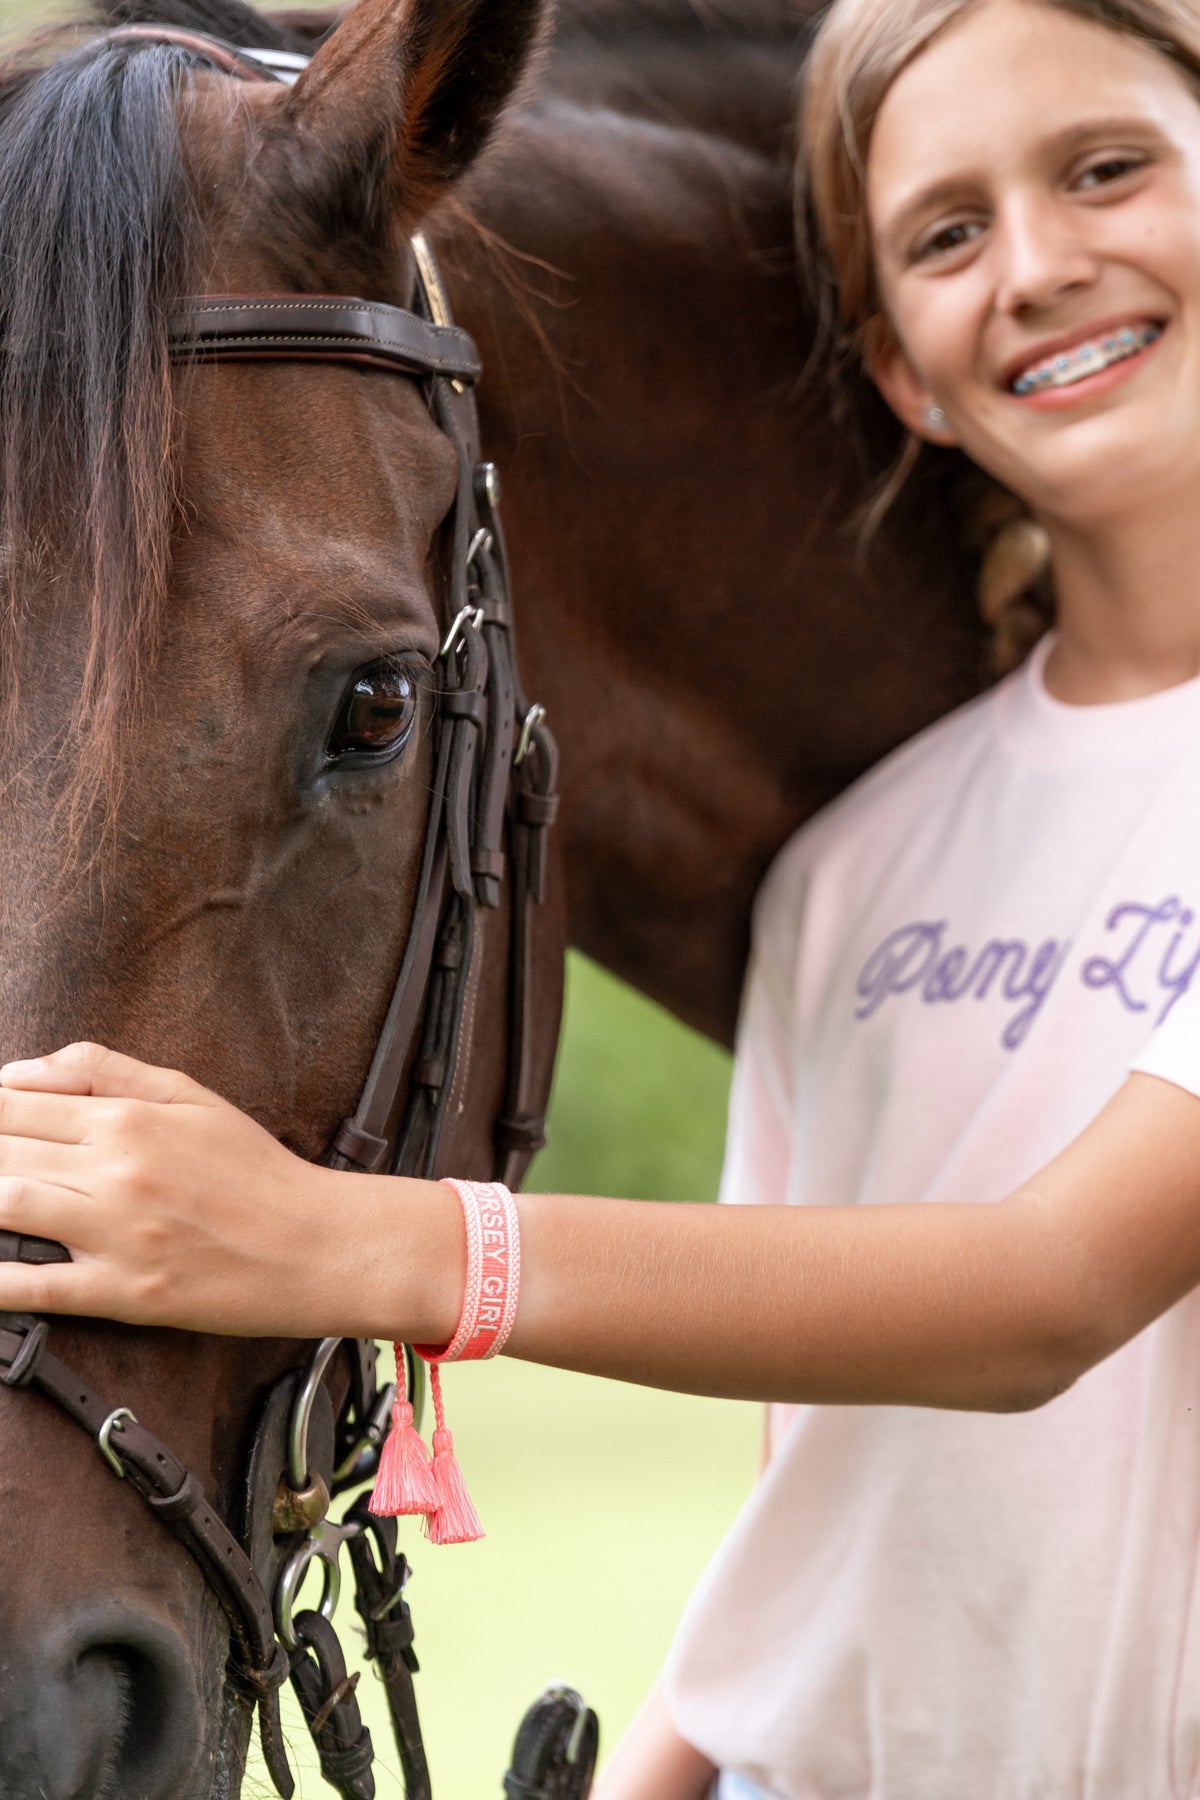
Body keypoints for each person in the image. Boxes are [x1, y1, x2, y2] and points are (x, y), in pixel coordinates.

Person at [6, 0, 1200, 1791]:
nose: (1034, 262)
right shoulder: (854, 867)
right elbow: (833, 1493)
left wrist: (360, 1245)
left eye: (1109, 170)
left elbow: (1043, 1293)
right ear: (898, 368)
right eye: (948, 232)